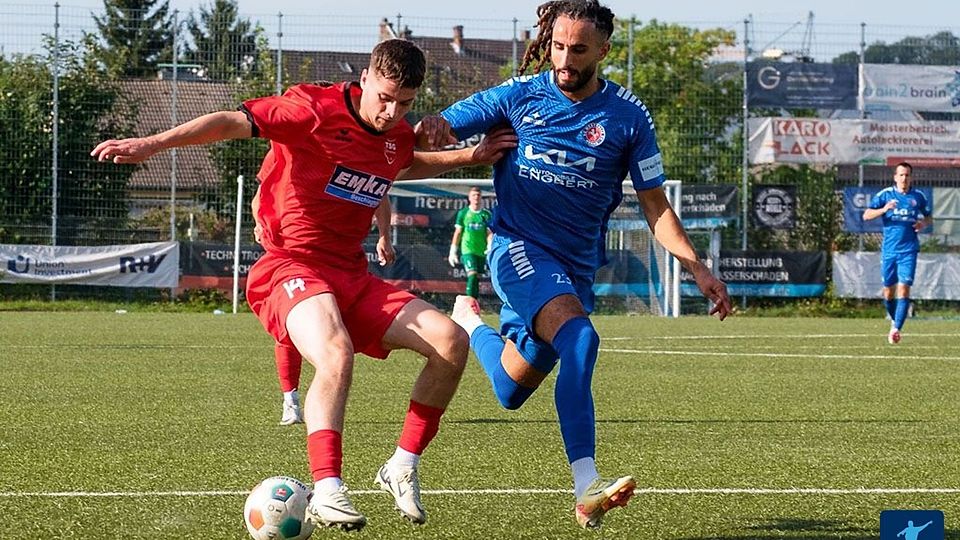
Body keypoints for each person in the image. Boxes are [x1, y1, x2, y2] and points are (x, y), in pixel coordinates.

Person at [91, 39, 514, 531]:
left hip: (351, 273)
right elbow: (231, 121)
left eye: (404, 102)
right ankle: (328, 489)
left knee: (450, 340)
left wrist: (469, 157)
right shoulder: (311, 108)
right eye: (384, 97)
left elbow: (402, 161)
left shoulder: (396, 133)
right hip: (288, 265)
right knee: (335, 353)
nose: (391, 110)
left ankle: (401, 464)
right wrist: (152, 144)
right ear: (365, 77)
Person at [421, 0, 732, 529]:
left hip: (572, 271)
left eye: (578, 49)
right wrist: (433, 128)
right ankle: (586, 486)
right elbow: (440, 128)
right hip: (516, 249)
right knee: (582, 340)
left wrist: (695, 266)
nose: (564, 59)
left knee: (511, 389)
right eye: (558, 46)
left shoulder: (629, 118)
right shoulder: (518, 97)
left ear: (604, 50)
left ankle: (471, 321)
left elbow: (654, 204)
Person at [259, 197, 396, 426]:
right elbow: (264, 191)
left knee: (336, 341)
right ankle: (290, 400)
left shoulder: (355, 167)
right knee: (287, 330)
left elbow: (380, 190)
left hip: (339, 261)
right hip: (294, 258)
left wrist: (384, 236)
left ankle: (319, 402)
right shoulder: (298, 162)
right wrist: (260, 221)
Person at [863, 161, 931, 345]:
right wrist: (884, 209)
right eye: (901, 175)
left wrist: (922, 224)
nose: (904, 178)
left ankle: (896, 329)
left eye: (907, 175)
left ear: (911, 177)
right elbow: (866, 215)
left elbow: (928, 217)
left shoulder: (918, 196)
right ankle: (894, 318)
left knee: (904, 288)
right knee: (888, 292)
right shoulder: (885, 195)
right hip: (889, 251)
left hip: (909, 250)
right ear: (895, 177)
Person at [447, 186, 493, 298]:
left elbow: (489, 233)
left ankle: (474, 303)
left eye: (478, 195)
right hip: (468, 250)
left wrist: (490, 246)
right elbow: (458, 232)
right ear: (469, 198)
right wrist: (453, 251)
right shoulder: (463, 213)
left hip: (481, 251)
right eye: (473, 195)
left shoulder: (486, 214)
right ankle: (468, 303)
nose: (476, 197)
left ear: (481, 197)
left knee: (477, 278)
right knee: (472, 275)